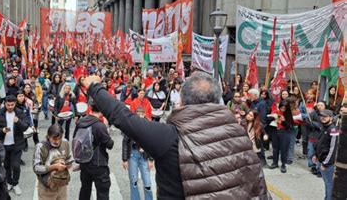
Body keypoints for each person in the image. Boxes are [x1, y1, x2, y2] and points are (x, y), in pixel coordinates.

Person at [81, 72, 269, 199]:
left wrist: (95, 87)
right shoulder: (239, 132)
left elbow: (124, 118)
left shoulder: (170, 136)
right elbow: (258, 184)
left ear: (183, 100)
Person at [74, 100, 114, 200]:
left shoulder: (80, 122)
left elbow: (76, 138)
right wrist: (106, 127)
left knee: (85, 189)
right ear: (101, 111)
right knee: (102, 192)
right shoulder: (100, 126)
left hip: (84, 161)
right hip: (98, 163)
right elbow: (110, 144)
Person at [0, 95, 29, 196]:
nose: (10, 107)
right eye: (8, 105)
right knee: (7, 165)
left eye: (12, 105)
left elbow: (26, 127)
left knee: (16, 166)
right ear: (5, 104)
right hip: (4, 144)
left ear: (15, 104)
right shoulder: (0, 113)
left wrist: (18, 121)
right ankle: (9, 182)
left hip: (17, 144)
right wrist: (2, 130)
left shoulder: (20, 112)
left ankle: (15, 183)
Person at [33, 124, 74, 199]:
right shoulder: (40, 147)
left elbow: (70, 159)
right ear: (48, 136)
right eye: (54, 139)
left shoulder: (65, 142)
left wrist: (65, 164)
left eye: (60, 138)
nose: (57, 141)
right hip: (46, 188)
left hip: (62, 185)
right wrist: (54, 167)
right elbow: (36, 168)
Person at [122, 107, 154, 200]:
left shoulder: (149, 126)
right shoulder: (130, 126)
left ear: (144, 114)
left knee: (147, 183)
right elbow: (125, 142)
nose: (140, 116)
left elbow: (152, 143)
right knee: (134, 181)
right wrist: (124, 159)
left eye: (142, 114)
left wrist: (151, 159)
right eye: (138, 114)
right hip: (132, 155)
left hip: (144, 157)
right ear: (135, 115)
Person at [313, 109, 338, 200]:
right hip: (321, 160)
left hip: (327, 163)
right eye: (321, 116)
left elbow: (333, 149)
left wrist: (325, 163)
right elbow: (320, 143)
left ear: (331, 118)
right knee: (327, 183)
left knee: (329, 184)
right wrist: (315, 155)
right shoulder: (323, 127)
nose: (322, 118)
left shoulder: (334, 129)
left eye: (325, 116)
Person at [268, 100, 294, 173]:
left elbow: (290, 126)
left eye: (284, 108)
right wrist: (273, 118)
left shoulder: (288, 114)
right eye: (281, 108)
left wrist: (283, 121)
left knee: (284, 149)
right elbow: (268, 120)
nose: (282, 109)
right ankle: (275, 163)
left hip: (284, 133)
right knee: (275, 148)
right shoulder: (276, 112)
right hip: (275, 131)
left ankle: (283, 164)